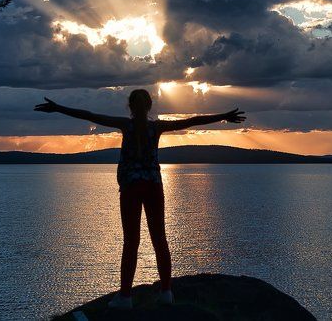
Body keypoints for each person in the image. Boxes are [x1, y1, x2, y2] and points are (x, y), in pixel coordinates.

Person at [34, 89, 246, 308]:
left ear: (130, 106)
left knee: (131, 242)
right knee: (160, 240)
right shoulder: (157, 127)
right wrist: (223, 116)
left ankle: (125, 296)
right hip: (153, 186)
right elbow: (191, 121)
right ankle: (166, 292)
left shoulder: (126, 125)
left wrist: (58, 108)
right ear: (149, 106)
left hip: (131, 188)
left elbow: (89, 115)